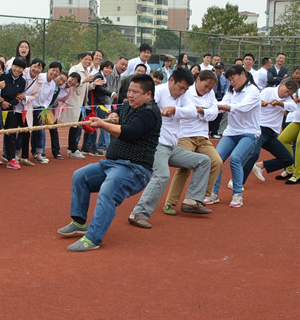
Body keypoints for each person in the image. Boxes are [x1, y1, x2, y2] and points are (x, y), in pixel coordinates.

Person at [59, 74, 162, 252]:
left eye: (135, 92)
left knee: (108, 190)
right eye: (129, 91)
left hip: (134, 169)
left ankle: (93, 238)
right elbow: (120, 113)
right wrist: (114, 114)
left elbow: (130, 132)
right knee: (81, 176)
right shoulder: (129, 105)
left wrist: (103, 124)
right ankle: (79, 222)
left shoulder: (149, 113)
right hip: (112, 164)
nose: (130, 95)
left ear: (148, 95)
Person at [127, 69, 213, 229]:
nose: (183, 92)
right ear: (171, 80)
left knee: (203, 161)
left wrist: (175, 110)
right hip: (156, 144)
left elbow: (193, 111)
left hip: (171, 147)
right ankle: (138, 213)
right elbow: (142, 108)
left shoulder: (183, 96)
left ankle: (191, 200)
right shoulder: (158, 92)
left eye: (186, 89)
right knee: (162, 175)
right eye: (181, 87)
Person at [163, 69, 223, 211]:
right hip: (185, 135)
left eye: (211, 88)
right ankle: (170, 202)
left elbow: (214, 114)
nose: (207, 90)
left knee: (216, 162)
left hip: (202, 136)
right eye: (206, 86)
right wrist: (199, 112)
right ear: (198, 80)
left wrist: (201, 111)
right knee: (185, 166)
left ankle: (198, 198)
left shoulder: (210, 94)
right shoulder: (186, 91)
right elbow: (183, 112)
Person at [212, 65, 261, 208]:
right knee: (216, 159)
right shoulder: (231, 90)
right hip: (231, 132)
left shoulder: (253, 91)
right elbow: (222, 104)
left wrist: (219, 106)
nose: (232, 82)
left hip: (249, 133)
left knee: (235, 158)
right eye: (229, 79)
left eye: (233, 78)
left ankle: (237, 194)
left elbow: (241, 108)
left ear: (243, 74)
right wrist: (208, 108)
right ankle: (212, 193)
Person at [243, 79, 298, 184]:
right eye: (286, 91)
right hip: (260, 129)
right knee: (253, 154)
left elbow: (293, 107)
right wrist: (261, 103)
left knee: (288, 159)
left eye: (289, 94)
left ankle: (260, 166)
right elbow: (255, 103)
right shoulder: (268, 91)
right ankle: (237, 182)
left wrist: (279, 103)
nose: (286, 94)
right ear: (283, 84)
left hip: (272, 134)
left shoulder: (287, 99)